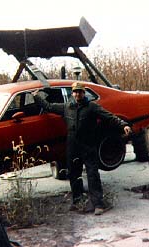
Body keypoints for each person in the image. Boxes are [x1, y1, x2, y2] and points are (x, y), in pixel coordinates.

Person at [32, 82, 132, 215]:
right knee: (74, 174)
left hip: (88, 145)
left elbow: (109, 116)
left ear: (84, 93)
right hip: (72, 146)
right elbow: (48, 106)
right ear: (72, 93)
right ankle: (77, 201)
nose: (78, 94)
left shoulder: (92, 107)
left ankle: (98, 204)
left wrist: (123, 124)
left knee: (92, 174)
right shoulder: (67, 107)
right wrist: (36, 96)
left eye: (80, 92)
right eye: (75, 92)